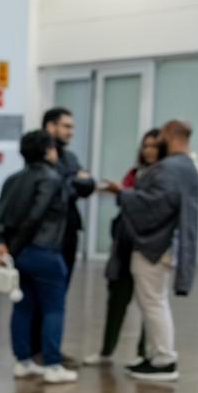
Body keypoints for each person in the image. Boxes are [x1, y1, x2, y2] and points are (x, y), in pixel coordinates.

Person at [99, 120, 198, 382]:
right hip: (164, 244)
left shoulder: (170, 168)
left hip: (154, 246)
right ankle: (155, 355)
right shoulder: (188, 166)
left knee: (154, 303)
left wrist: (122, 193)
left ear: (170, 134)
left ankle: (164, 359)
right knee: (154, 302)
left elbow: (155, 204)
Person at [0, 130, 77, 384]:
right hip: (44, 251)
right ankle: (52, 365)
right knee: (53, 308)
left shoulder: (12, 179)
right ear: (48, 150)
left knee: (23, 306)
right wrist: (15, 246)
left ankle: (23, 362)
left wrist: (3, 243)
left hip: (19, 254)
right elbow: (35, 216)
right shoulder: (51, 178)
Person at [83, 129, 160, 365]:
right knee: (116, 299)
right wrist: (117, 191)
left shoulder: (163, 176)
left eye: (154, 146)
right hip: (125, 245)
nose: (149, 151)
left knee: (149, 304)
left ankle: (144, 354)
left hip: (149, 247)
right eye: (146, 146)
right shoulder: (135, 173)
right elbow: (127, 200)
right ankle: (106, 351)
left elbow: (148, 203)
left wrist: (124, 192)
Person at [33, 107, 96, 367]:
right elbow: (59, 186)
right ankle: (37, 350)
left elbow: (87, 185)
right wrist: (73, 179)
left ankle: (50, 349)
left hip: (67, 234)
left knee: (58, 296)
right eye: (66, 126)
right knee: (38, 298)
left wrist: (76, 180)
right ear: (51, 126)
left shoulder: (69, 157)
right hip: (45, 237)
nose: (70, 132)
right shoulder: (37, 154)